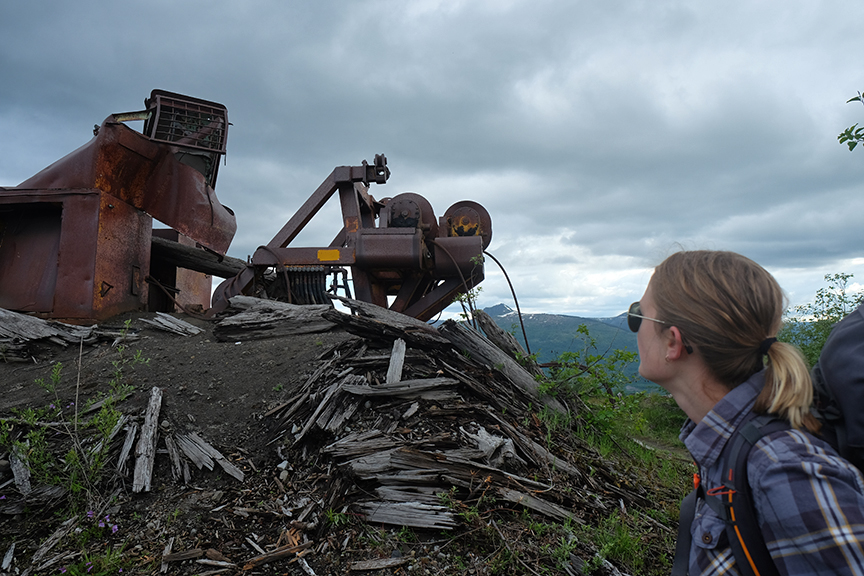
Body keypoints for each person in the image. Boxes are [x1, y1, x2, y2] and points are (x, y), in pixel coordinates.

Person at [629, 250, 864, 575]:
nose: (634, 326)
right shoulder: (733, 448)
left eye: (638, 315)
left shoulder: (782, 470)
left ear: (673, 341)